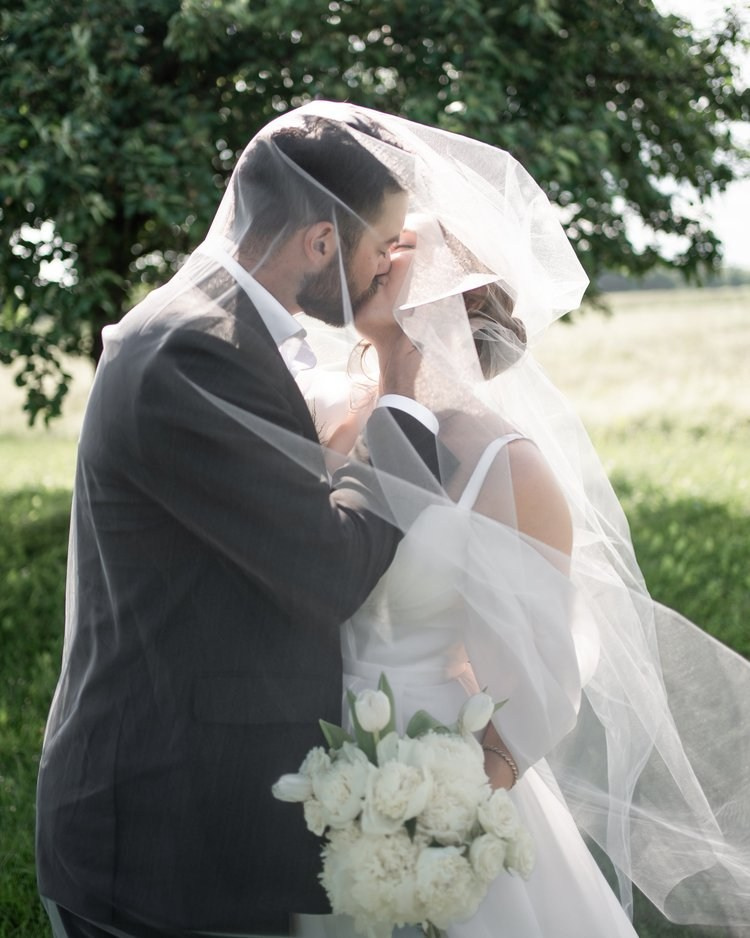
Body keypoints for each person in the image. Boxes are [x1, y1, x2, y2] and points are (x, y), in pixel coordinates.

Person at [248, 105, 750, 937]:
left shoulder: (504, 464)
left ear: (451, 292)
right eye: (384, 240)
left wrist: (444, 804)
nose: (380, 250)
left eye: (404, 247)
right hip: (293, 761)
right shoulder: (320, 410)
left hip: (422, 777)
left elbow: (543, 678)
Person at [35, 110, 444, 938]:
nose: (384, 274)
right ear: (322, 244)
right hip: (159, 836)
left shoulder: (223, 327)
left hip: (196, 817)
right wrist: (402, 376)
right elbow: (331, 566)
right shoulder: (197, 349)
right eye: (379, 249)